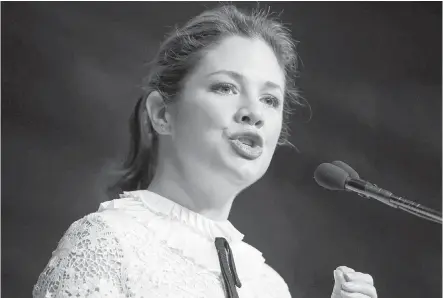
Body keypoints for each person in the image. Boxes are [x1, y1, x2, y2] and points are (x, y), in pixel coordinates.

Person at [33, 4, 378, 298]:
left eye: (270, 99)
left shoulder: (269, 286)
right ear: (162, 113)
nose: (254, 113)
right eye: (226, 87)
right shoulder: (107, 243)